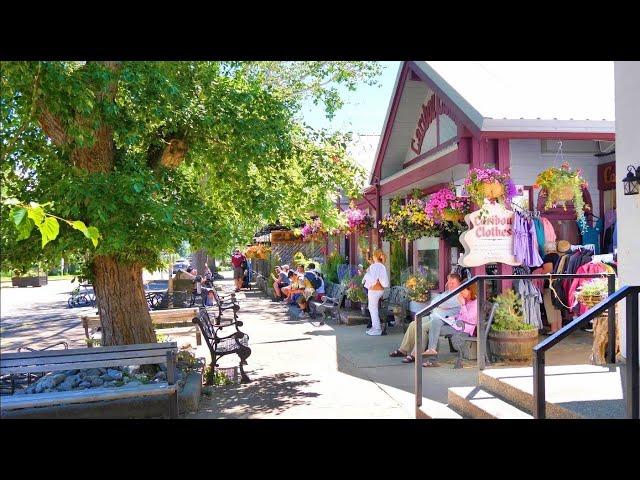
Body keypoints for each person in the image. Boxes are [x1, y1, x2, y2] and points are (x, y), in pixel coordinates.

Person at [389, 273, 463, 362]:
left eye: (453, 283)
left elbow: (441, 303)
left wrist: (438, 305)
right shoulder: (447, 293)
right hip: (434, 316)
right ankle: (403, 350)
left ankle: (415, 354)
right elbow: (433, 302)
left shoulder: (458, 295)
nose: (450, 285)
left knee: (421, 327)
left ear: (459, 284)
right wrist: (439, 305)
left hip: (443, 321)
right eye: (449, 282)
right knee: (413, 324)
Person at [422, 284, 478, 367]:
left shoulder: (475, 303)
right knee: (436, 321)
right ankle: (432, 350)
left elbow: (468, 318)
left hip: (463, 329)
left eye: (463, 290)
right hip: (457, 324)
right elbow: (461, 315)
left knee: (434, 329)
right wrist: (452, 317)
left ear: (470, 291)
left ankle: (432, 359)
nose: (461, 292)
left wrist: (462, 305)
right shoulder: (467, 300)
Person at [362, 249, 390, 336]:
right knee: (373, 308)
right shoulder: (382, 266)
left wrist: (367, 275)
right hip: (380, 290)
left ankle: (377, 328)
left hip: (373, 290)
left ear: (374, 256)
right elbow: (385, 282)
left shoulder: (374, 266)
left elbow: (371, 278)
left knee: (372, 309)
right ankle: (375, 327)